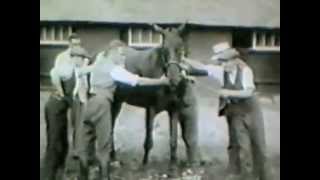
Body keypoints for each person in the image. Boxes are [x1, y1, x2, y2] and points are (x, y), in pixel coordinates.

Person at [76, 40, 171, 180]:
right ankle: (104, 176)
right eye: (121, 54)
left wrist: (83, 96)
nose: (123, 58)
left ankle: (82, 176)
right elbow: (137, 80)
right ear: (113, 52)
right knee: (104, 145)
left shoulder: (99, 63)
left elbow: (80, 73)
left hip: (89, 102)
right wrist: (161, 81)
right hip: (103, 103)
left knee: (85, 143)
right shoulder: (114, 70)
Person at [181, 42, 273, 180]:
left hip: (251, 111)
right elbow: (202, 66)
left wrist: (227, 92)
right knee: (242, 147)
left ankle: (265, 176)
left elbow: (248, 92)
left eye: (224, 62)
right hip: (235, 113)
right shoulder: (221, 70)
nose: (222, 66)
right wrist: (183, 59)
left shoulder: (246, 70)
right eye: (220, 62)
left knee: (259, 146)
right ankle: (246, 176)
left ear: (233, 60)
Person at [41, 33, 91, 180]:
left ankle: (60, 171)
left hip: (66, 105)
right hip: (55, 106)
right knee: (55, 141)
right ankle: (47, 174)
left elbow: (82, 90)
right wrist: (60, 91)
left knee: (64, 141)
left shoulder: (80, 70)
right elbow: (53, 73)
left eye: (84, 58)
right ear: (74, 57)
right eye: (81, 58)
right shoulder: (65, 65)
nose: (83, 61)